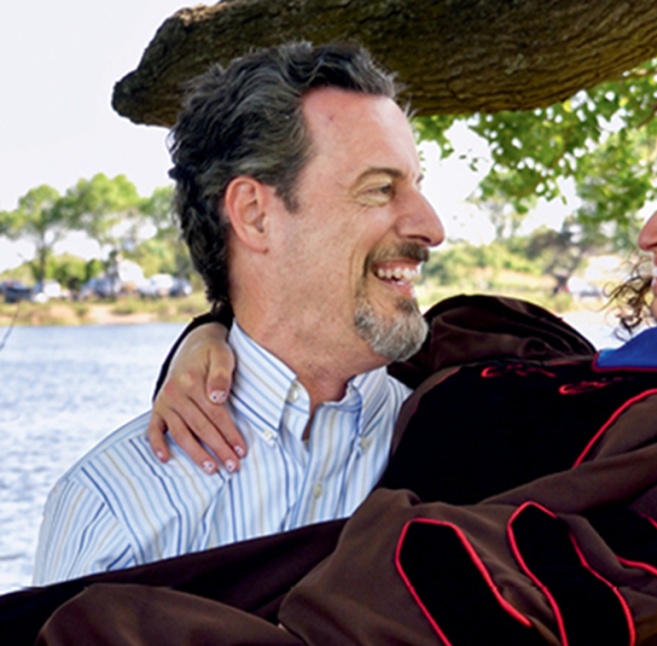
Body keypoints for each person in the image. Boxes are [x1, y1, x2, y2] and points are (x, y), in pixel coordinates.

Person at [9, 40, 657, 644]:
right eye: (380, 189)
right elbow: (344, 333)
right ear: (253, 215)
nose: (650, 230)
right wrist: (211, 330)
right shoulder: (561, 369)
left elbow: (601, 594)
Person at [31, 41, 445, 584]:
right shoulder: (109, 513)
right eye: (380, 189)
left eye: (416, 186)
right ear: (254, 215)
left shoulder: (476, 440)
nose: (431, 227)